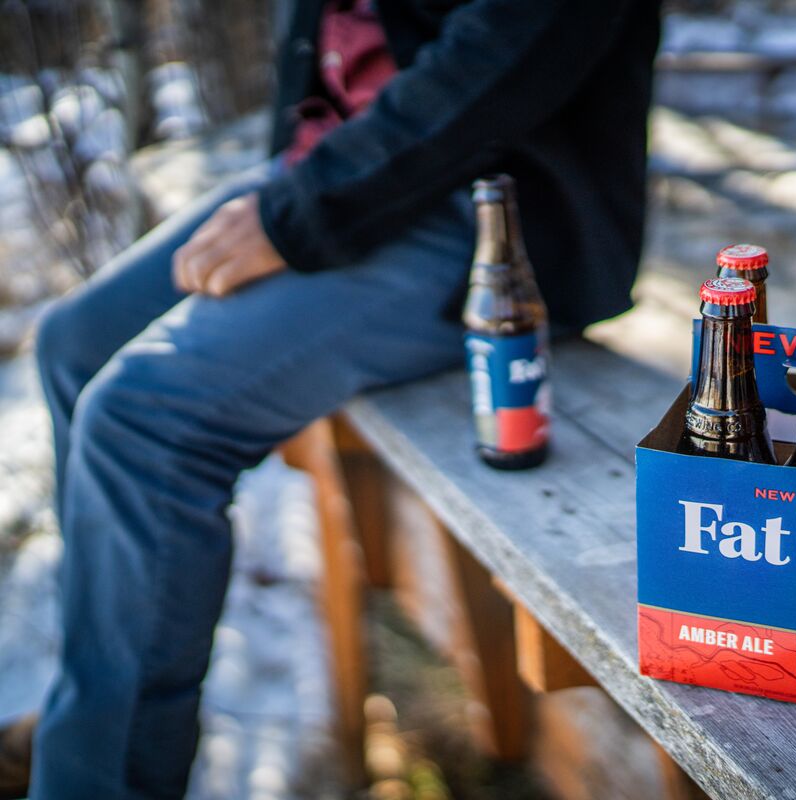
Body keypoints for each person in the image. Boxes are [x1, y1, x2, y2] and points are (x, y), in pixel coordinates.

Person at [6, 1, 661, 797]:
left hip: (481, 202)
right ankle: (99, 705)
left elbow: (516, 45)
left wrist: (296, 217)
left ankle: (100, 776)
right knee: (76, 341)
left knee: (146, 419)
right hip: (337, 165)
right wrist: (297, 182)